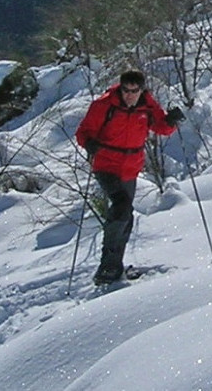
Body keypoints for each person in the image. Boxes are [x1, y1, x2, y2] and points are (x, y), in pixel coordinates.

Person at [75, 69, 182, 284]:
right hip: (105, 164)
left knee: (126, 217)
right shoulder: (104, 105)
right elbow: (83, 132)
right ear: (120, 88)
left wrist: (171, 121)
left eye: (135, 91)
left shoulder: (147, 106)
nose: (130, 95)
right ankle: (107, 269)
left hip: (130, 168)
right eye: (126, 90)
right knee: (122, 206)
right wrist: (89, 144)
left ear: (142, 90)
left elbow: (161, 127)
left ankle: (115, 267)